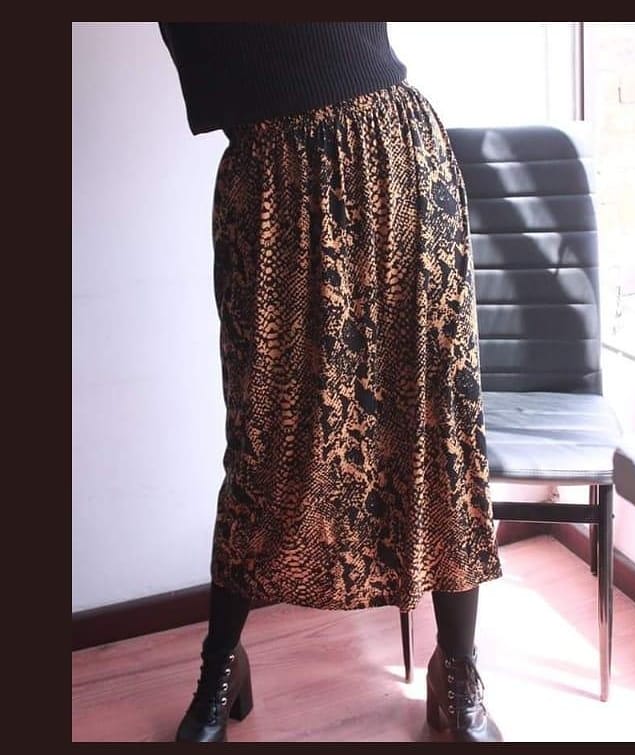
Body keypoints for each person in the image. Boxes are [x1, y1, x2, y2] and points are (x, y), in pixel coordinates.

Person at [158, 22, 503, 743]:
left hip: (396, 159)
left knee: (435, 421)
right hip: (272, 190)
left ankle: (459, 667)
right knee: (263, 442)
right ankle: (221, 667)